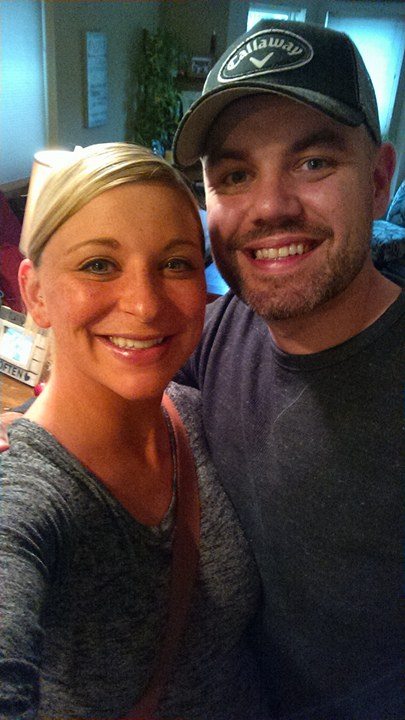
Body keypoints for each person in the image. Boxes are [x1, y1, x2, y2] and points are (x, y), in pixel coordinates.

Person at [172, 19, 404, 720]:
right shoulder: (217, 331)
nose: (271, 207)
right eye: (235, 175)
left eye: (313, 163)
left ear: (379, 182)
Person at [0, 143, 264, 719]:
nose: (144, 305)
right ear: (36, 293)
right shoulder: (24, 493)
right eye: (99, 264)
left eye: (175, 264)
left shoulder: (197, 415)